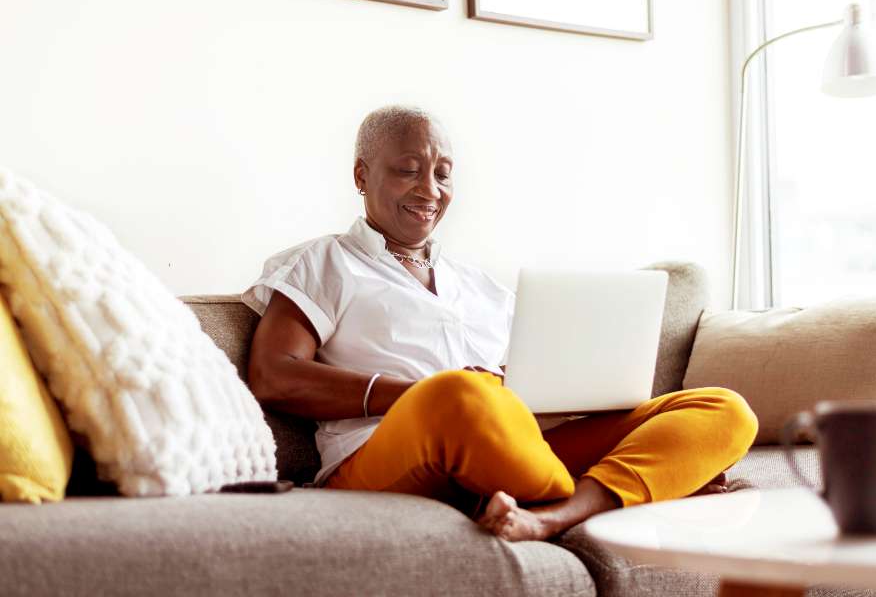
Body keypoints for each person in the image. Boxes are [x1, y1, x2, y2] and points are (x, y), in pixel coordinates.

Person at [241, 105, 759, 541]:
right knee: (462, 396)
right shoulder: (324, 262)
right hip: (386, 457)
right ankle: (634, 488)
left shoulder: (483, 286)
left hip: (513, 443)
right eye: (408, 169)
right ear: (361, 176)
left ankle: (553, 514)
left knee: (723, 409)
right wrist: (421, 393)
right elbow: (274, 374)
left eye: (442, 173)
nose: (429, 189)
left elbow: (529, 386)